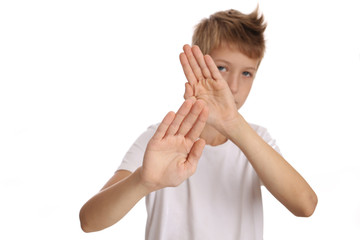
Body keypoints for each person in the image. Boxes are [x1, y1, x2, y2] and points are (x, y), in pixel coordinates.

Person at [80, 7, 318, 240]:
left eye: (247, 73)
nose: (233, 86)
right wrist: (143, 181)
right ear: (197, 65)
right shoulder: (160, 141)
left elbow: (305, 205)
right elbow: (89, 221)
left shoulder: (256, 139)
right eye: (222, 68)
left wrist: (233, 124)